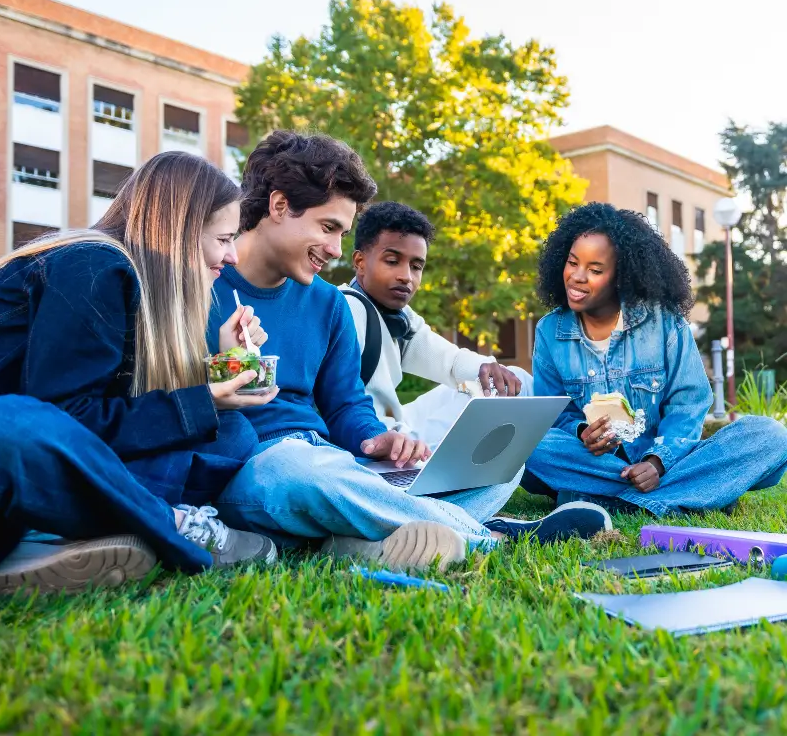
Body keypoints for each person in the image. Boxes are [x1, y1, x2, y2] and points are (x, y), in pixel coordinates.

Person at [209, 131, 612, 571]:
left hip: (339, 465)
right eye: (328, 228)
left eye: (342, 233)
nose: (336, 250)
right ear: (280, 206)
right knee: (297, 469)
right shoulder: (201, 286)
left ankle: (355, 537)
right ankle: (488, 537)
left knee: (500, 464)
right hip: (263, 469)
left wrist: (375, 439)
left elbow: (346, 405)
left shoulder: (326, 304)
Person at [0, 152, 278, 594]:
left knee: (231, 432)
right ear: (179, 232)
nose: (233, 255)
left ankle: (67, 527)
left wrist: (221, 368)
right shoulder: (91, 265)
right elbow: (67, 418)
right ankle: (170, 523)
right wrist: (202, 399)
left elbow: (108, 413)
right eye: (223, 238)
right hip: (2, 452)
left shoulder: (127, 279)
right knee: (10, 425)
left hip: (27, 474)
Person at [523, 202, 787, 515]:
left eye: (595, 270)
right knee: (529, 449)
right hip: (594, 462)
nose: (577, 277)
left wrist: (657, 461)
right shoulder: (550, 331)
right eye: (572, 263)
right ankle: (693, 493)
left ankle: (612, 501)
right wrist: (582, 432)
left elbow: (688, 405)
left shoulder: (664, 323)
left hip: (666, 459)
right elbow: (556, 413)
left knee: (770, 436)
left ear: (622, 276)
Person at [338, 201, 534, 450]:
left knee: (513, 378)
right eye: (392, 261)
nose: (406, 276)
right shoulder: (347, 310)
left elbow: (451, 363)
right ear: (360, 262)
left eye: (416, 266)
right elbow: (344, 405)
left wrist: (487, 368)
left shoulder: (400, 316)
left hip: (399, 423)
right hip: (372, 437)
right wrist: (398, 437)